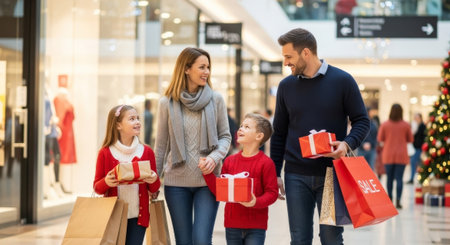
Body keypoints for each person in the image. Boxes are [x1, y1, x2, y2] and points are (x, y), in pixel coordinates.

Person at [271, 28, 370, 244]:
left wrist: (346, 144)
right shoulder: (286, 87)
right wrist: (275, 172)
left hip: (332, 175)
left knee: (331, 238)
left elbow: (362, 121)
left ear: (306, 52)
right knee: (299, 239)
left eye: (289, 57)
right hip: (296, 175)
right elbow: (279, 133)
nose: (286, 62)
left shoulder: (343, 81)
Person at [154, 47, 231, 245]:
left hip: (208, 182)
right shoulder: (167, 103)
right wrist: (153, 181)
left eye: (208, 67)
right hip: (176, 183)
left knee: (201, 240)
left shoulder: (216, 99)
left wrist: (214, 158)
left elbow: (225, 137)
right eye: (202, 67)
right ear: (186, 69)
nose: (207, 71)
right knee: (184, 241)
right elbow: (161, 145)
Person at [200, 113, 278, 245]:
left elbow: (272, 193)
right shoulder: (230, 161)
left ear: (259, 136)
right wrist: (207, 173)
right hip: (232, 225)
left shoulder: (266, 163)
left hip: (256, 226)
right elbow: (220, 192)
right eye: (241, 126)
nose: (240, 129)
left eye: (246, 127)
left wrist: (255, 202)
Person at [93, 105, 160, 244]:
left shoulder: (147, 152)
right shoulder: (105, 153)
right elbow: (97, 188)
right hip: (113, 217)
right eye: (131, 119)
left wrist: (154, 179)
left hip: (139, 217)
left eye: (138, 118)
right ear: (118, 125)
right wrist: (106, 182)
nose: (137, 122)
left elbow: (154, 189)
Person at [377, 103, 413, 209]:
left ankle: (390, 199)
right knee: (399, 179)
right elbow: (410, 139)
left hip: (388, 154)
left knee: (389, 178)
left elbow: (380, 138)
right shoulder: (406, 125)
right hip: (401, 155)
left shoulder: (385, 124)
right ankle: (398, 201)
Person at [407, 113, 426, 184]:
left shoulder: (422, 126)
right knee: (415, 163)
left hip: (419, 148)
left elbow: (423, 137)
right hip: (414, 147)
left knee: (414, 162)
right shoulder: (415, 126)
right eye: (415, 118)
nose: (416, 119)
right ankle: (414, 178)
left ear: (420, 118)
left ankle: (414, 178)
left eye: (417, 118)